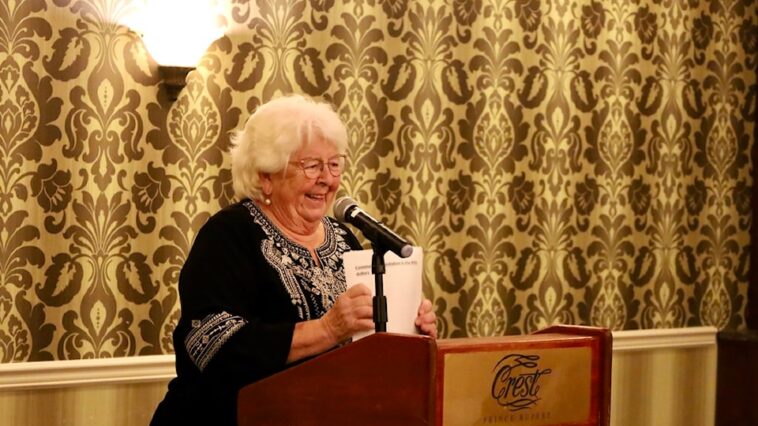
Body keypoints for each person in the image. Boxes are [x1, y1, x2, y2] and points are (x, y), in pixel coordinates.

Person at [150, 94, 437, 425]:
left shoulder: (343, 239)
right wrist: (327, 329)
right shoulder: (229, 234)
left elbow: (360, 347)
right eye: (312, 165)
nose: (327, 179)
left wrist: (408, 331)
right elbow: (214, 345)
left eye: (334, 164)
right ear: (265, 176)